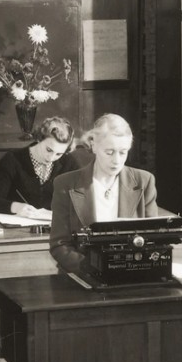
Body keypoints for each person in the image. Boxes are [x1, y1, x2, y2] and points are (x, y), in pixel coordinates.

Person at [49, 113, 157, 275]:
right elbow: (60, 245)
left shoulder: (144, 181)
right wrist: (98, 269)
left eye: (123, 152)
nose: (117, 160)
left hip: (132, 274)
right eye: (109, 152)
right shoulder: (65, 183)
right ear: (93, 145)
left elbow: (154, 238)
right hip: (82, 275)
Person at [0, 116, 80, 218]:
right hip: (18, 228)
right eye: (49, 150)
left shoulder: (69, 163)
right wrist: (16, 207)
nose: (51, 158)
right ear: (39, 138)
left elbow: (82, 199)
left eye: (59, 154)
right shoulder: (12, 160)